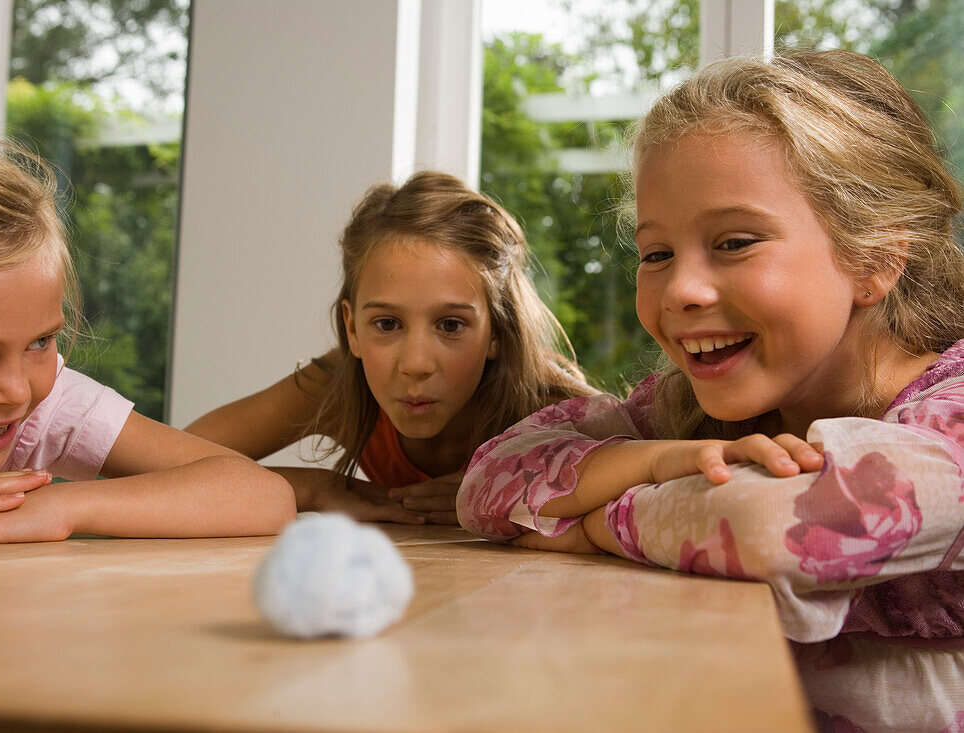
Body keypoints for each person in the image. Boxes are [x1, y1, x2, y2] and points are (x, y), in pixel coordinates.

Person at [457, 50, 964, 731]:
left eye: (734, 242)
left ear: (874, 257)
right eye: (657, 253)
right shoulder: (687, 415)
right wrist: (658, 463)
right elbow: (489, 477)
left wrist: (594, 526)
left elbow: (768, 526)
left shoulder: (950, 420)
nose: (681, 291)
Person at [0, 130, 296, 544]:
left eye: (40, 342)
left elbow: (262, 495)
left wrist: (62, 507)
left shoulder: (45, 406)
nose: (16, 391)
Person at [187, 171, 594, 525]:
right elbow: (160, 460)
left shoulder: (547, 403)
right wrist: (312, 486)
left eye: (451, 325)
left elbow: (653, 471)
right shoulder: (338, 384)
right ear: (352, 328)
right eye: (387, 324)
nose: (415, 364)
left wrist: (509, 490)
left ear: (497, 334)